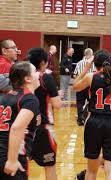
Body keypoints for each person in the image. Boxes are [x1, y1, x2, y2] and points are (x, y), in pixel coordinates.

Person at [73, 49, 111, 180]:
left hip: (94, 122)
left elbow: (75, 86)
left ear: (95, 64)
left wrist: (86, 67)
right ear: (110, 63)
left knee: (91, 170)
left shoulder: (91, 77)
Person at [0, 61, 40, 179]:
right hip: (12, 156)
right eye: (35, 71)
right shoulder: (29, 99)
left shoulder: (4, 97)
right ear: (28, 78)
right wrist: (12, 160)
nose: (38, 74)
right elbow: (17, 128)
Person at [28, 48, 62, 180]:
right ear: (43, 62)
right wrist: (57, 95)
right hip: (43, 127)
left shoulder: (21, 76)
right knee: (50, 166)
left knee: (22, 164)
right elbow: (57, 105)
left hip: (23, 127)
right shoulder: (46, 77)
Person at [73, 48, 96, 126]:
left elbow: (75, 74)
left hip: (80, 84)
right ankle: (87, 117)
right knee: (91, 101)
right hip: (90, 86)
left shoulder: (79, 63)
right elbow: (95, 74)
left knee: (80, 102)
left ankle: (80, 118)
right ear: (91, 54)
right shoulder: (93, 64)